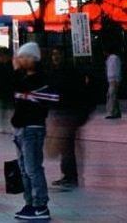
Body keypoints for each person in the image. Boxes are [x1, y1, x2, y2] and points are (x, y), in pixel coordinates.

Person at [10, 41, 57, 220]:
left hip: (33, 128)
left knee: (33, 168)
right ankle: (30, 203)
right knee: (24, 168)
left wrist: (15, 70)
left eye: (23, 57)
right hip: (22, 128)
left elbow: (21, 91)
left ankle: (41, 205)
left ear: (32, 59)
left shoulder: (40, 80)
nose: (19, 60)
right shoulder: (25, 79)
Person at [47, 46, 92, 189]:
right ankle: (69, 175)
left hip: (69, 112)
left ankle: (70, 176)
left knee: (67, 146)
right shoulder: (55, 71)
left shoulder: (69, 72)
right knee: (66, 146)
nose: (55, 57)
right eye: (53, 54)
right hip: (62, 112)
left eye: (58, 53)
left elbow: (75, 91)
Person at [106, 48, 121, 120]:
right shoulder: (109, 59)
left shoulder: (114, 58)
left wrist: (117, 80)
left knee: (112, 95)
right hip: (111, 79)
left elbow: (117, 69)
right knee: (112, 95)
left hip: (113, 79)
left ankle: (112, 113)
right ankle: (117, 112)